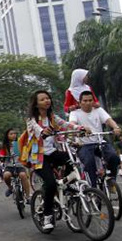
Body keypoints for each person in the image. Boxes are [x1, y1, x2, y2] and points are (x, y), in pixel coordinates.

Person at [25, 90, 88, 232]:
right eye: (42, 99)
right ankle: (47, 215)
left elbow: (65, 124)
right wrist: (43, 132)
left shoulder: (52, 117)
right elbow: (37, 129)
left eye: (48, 98)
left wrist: (80, 128)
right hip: (38, 157)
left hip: (52, 153)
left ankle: (68, 184)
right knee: (50, 184)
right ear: (36, 104)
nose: (46, 101)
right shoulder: (31, 120)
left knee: (69, 159)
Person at [69, 91, 121, 187]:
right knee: (89, 162)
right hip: (84, 145)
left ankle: (111, 180)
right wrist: (80, 128)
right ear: (80, 102)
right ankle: (93, 190)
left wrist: (116, 127)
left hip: (99, 142)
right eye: (85, 100)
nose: (88, 102)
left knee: (114, 157)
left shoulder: (98, 110)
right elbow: (71, 123)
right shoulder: (74, 113)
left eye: (90, 100)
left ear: (93, 101)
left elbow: (108, 120)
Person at [0, 129, 31, 199]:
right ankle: (10, 188)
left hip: (19, 165)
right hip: (9, 166)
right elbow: (1, 154)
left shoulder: (17, 143)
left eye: (14, 133)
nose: (13, 135)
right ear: (7, 136)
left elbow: (20, 153)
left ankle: (28, 196)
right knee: (6, 175)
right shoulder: (4, 145)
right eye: (11, 134)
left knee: (23, 175)